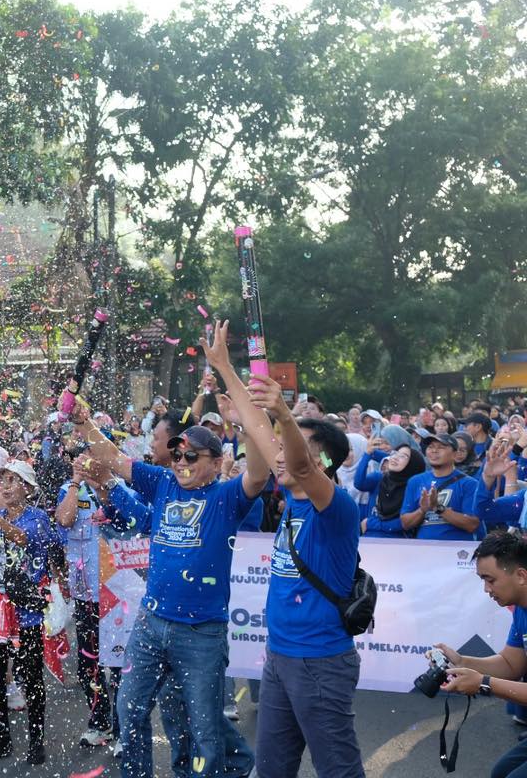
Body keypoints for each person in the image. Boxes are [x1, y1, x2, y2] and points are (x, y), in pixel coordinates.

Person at [77, 322, 266, 778]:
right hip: (153, 621)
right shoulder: (162, 481)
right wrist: (81, 420)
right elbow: (111, 458)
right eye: (177, 454)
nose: (180, 462)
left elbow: (259, 470)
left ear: (216, 462)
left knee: (203, 728)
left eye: (191, 457)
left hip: (200, 632)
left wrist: (242, 404)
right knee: (130, 708)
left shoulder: (227, 497)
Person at [229, 373, 365, 778]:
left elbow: (302, 465)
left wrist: (285, 416)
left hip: (321, 663)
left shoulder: (337, 508)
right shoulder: (291, 495)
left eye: (297, 450)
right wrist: (223, 367)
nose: (281, 457)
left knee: (338, 770)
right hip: (280, 657)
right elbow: (255, 424)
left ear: (323, 463)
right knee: (271, 768)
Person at [0, 460, 59, 763]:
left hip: (27, 613)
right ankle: (2, 739)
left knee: (31, 678)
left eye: (13, 480)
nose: (6, 486)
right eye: (3, 480)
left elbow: (20, 538)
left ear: (28, 487)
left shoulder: (37, 519)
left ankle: (36, 741)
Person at [436, 532, 527, 777]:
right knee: (500, 773)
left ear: (520, 575)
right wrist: (462, 661)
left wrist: (483, 684)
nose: (486, 589)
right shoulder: (521, 609)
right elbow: (511, 663)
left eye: (490, 580)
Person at [56, 458, 115, 748]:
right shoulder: (70, 489)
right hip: (85, 594)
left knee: (118, 663)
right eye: (82, 461)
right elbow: (64, 520)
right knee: (87, 664)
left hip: (116, 594)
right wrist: (77, 482)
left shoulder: (118, 489)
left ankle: (123, 724)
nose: (87, 464)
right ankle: (100, 722)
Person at [401, 432, 485, 540]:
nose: (434, 450)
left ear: (455, 454)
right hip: (423, 549)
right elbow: (405, 523)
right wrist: (422, 510)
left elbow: (472, 525)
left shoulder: (469, 484)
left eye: (441, 447)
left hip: (456, 551)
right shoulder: (415, 481)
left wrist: (438, 507)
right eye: (430, 447)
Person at [358, 427, 426, 536]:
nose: (394, 458)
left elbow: (405, 522)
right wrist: (367, 453)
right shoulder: (382, 479)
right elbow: (359, 483)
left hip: (397, 545)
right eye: (394, 453)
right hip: (370, 540)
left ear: (412, 463)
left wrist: (371, 523)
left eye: (403, 456)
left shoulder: (415, 486)